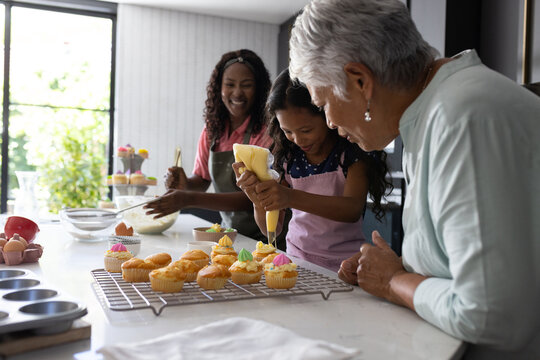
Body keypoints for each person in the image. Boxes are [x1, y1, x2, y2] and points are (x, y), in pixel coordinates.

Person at [288, 0, 540, 357]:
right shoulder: (428, 117)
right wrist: (397, 269)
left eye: (323, 103)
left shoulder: (461, 118)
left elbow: (491, 315)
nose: (328, 122)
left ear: (361, 81)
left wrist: (393, 281)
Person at [233, 69, 391, 272]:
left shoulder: (351, 153)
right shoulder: (289, 158)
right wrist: (258, 200)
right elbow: (271, 229)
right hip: (296, 261)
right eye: (287, 131)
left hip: (346, 266)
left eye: (306, 130)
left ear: (328, 114)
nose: (298, 140)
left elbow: (351, 209)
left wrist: (289, 197)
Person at [145, 49, 272, 242]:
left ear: (260, 89)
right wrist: (184, 184)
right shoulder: (213, 130)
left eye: (246, 85)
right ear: (218, 88)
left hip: (267, 236)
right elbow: (202, 179)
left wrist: (187, 198)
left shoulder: (266, 131)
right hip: (229, 234)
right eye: (229, 84)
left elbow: (253, 198)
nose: (237, 93)